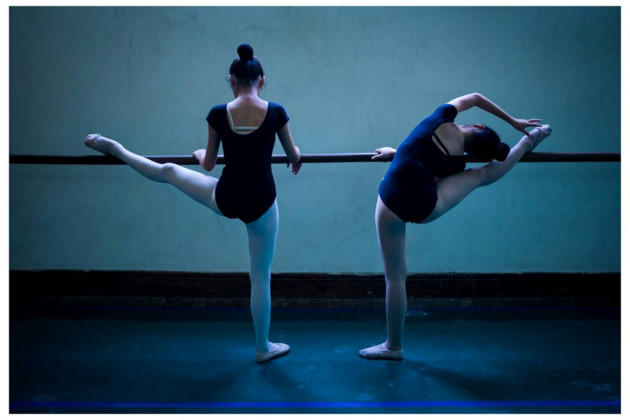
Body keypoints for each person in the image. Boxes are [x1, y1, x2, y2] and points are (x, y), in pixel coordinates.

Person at [84, 44, 302, 364]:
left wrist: (200, 154)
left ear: (231, 81)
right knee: (260, 276)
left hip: (227, 197)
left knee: (169, 171)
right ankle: (262, 348)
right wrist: (295, 156)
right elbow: (293, 155)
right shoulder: (277, 112)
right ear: (263, 80)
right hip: (262, 202)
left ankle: (118, 149)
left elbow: (209, 164)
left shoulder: (218, 114)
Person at [360, 92, 552, 360]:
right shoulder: (457, 162)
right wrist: (400, 153)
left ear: (477, 125)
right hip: (426, 207)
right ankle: (526, 143)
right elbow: (422, 165)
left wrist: (512, 120)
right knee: (480, 175)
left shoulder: (439, 117)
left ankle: (394, 347)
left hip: (390, 204)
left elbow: (474, 97)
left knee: (395, 277)